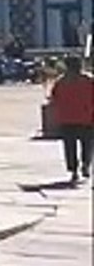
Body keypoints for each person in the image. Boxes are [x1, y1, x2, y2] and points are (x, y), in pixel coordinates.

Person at [49, 56, 94, 185]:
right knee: (88, 144)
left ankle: (73, 170)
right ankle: (86, 165)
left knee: (70, 146)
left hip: (67, 118)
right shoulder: (89, 80)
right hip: (87, 117)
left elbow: (54, 98)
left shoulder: (61, 82)